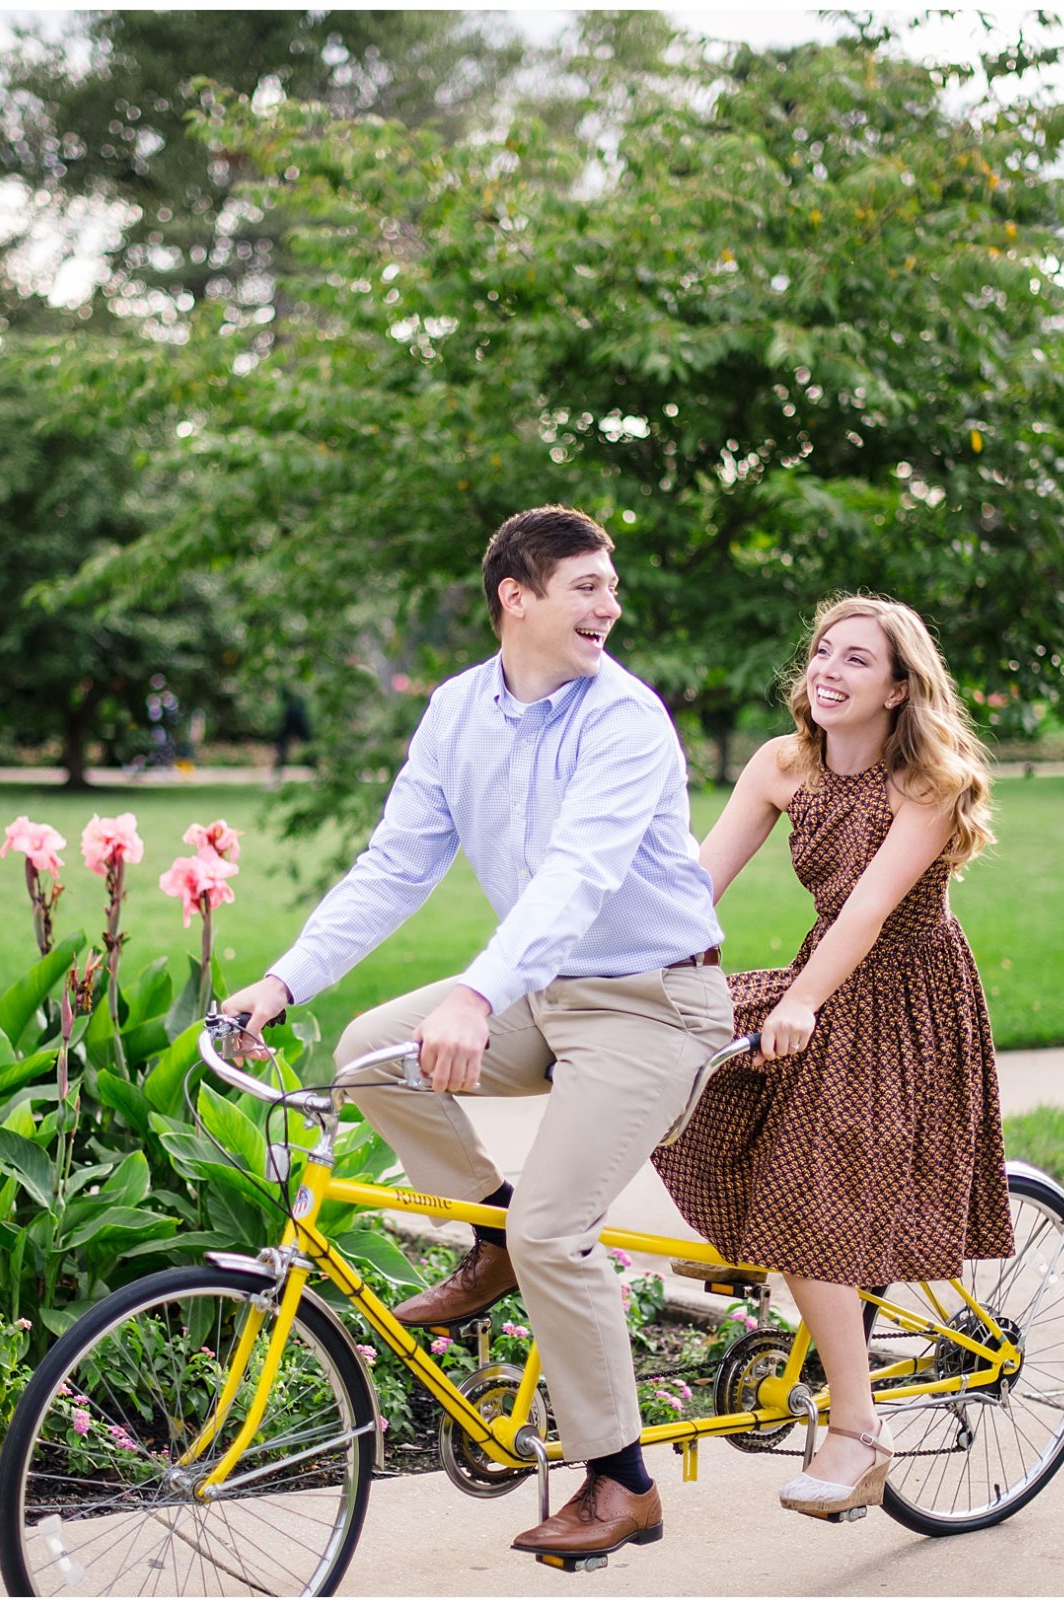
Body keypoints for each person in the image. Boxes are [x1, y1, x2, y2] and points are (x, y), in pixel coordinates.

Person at [223, 506, 734, 1564]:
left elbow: (576, 877)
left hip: (652, 1002)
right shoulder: (458, 709)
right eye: (586, 585)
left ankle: (618, 1480)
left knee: (562, 1228)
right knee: (369, 1049)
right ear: (518, 594)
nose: (610, 605)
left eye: (611, 585)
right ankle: (491, 1230)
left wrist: (474, 994)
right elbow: (393, 867)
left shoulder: (626, 718)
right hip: (543, 990)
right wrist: (281, 978)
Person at [650, 594, 1013, 1522]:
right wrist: (630, 954)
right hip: (824, 976)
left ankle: (858, 1433)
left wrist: (806, 1000)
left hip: (902, 994)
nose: (830, 670)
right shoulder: (783, 763)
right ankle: (754, 1239)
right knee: (676, 1060)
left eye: (858, 659)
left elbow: (870, 910)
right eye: (822, 651)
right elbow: (698, 882)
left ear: (898, 688)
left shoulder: (928, 782)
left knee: (810, 1194)